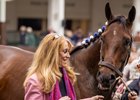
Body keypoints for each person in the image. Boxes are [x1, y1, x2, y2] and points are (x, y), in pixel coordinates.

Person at [23, 33, 104, 100]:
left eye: (68, 52)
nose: (68, 56)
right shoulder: (35, 81)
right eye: (65, 51)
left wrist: (90, 99)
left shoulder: (65, 76)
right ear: (52, 54)